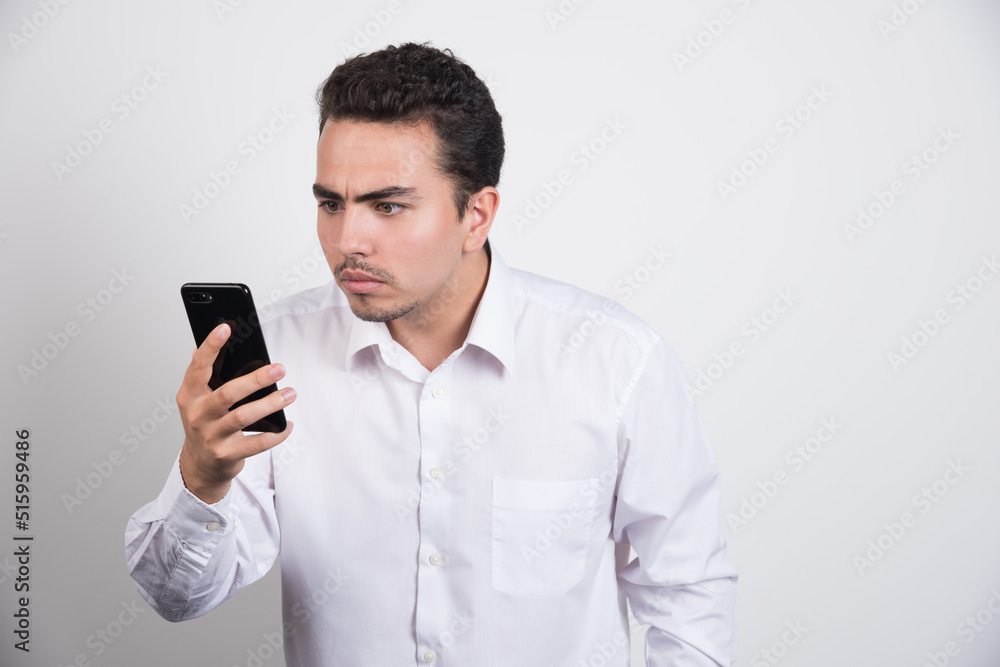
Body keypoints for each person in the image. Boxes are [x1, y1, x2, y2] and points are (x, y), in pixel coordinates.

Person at [125, 42, 737, 666]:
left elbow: (687, 595)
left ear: (477, 215)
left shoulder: (614, 363)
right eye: (330, 203)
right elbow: (178, 599)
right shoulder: (278, 356)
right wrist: (202, 479)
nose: (346, 241)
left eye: (387, 205)